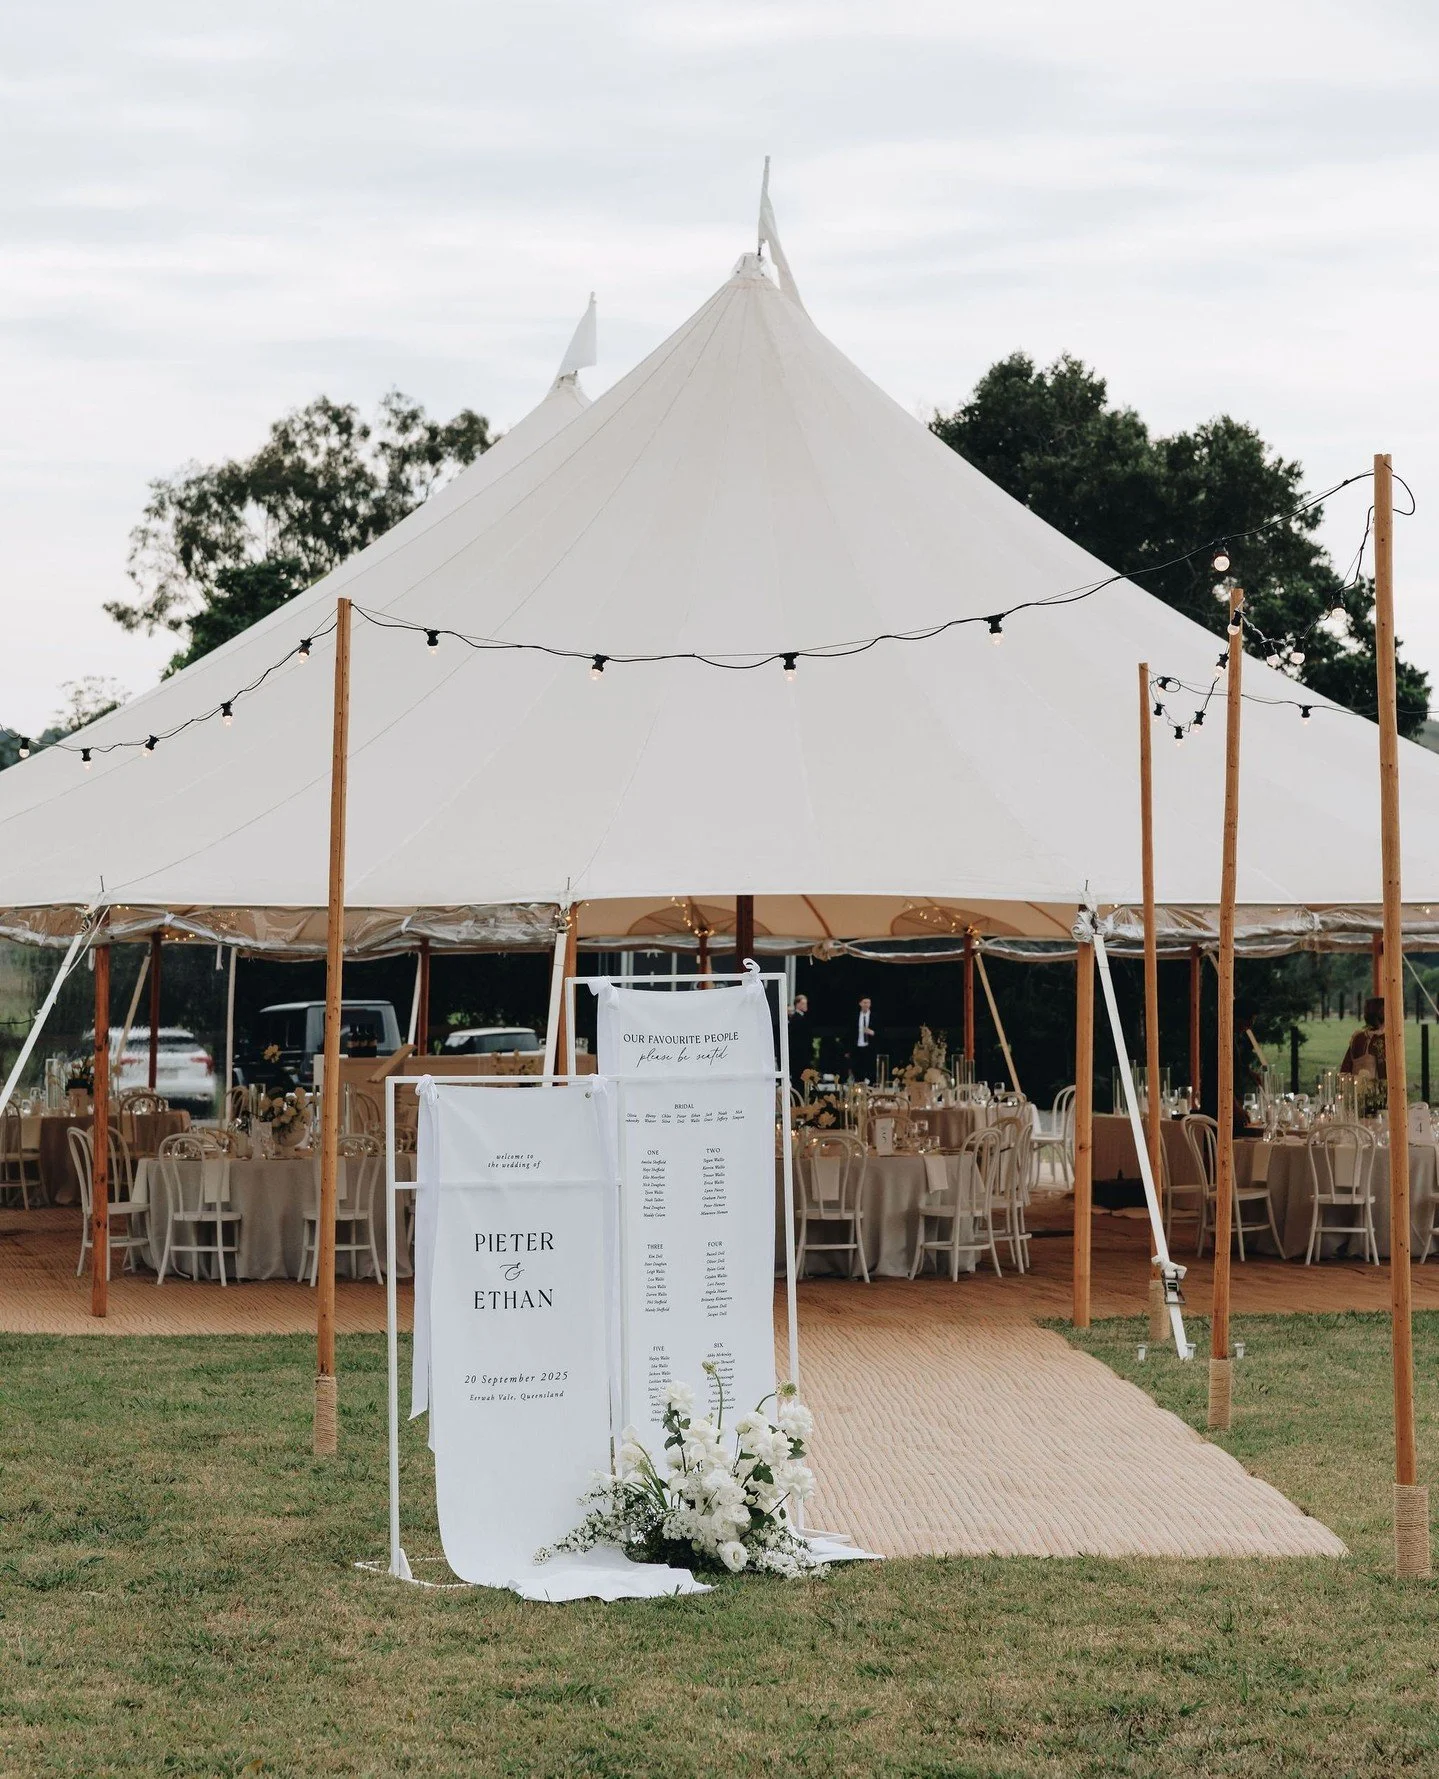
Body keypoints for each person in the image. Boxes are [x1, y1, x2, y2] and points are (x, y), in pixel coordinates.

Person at [1340, 997, 1386, 1079]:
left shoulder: (1357, 1037)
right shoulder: (1380, 1039)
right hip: (1373, 1090)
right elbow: (1384, 1074)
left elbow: (1345, 1070)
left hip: (1355, 1088)